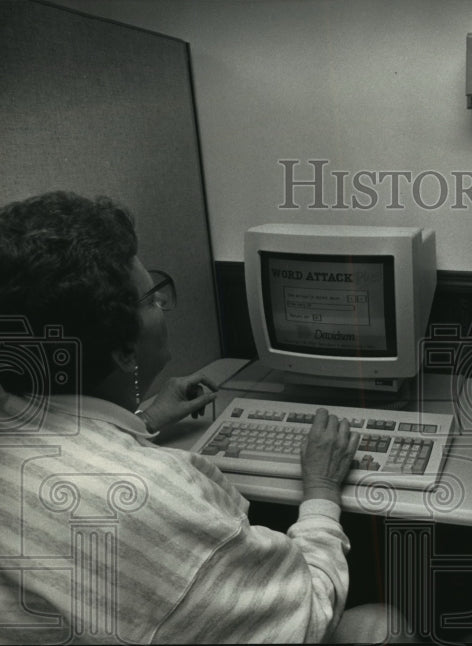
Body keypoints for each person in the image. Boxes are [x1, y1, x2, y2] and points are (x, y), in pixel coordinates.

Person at [0, 192, 397, 643]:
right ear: (123, 350)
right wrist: (322, 491)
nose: (163, 307)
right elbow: (309, 615)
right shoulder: (150, 497)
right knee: (387, 624)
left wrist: (142, 418)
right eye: (151, 298)